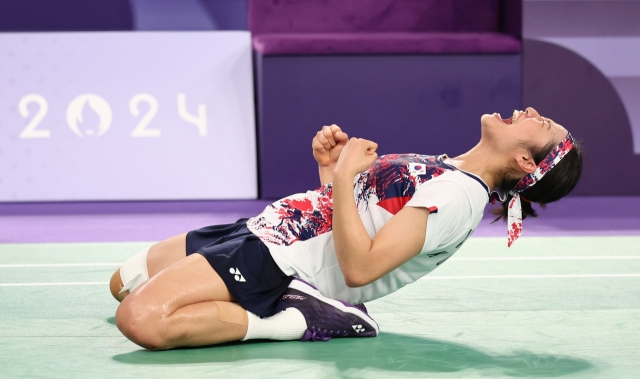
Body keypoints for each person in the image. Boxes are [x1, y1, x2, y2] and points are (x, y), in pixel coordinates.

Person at [110, 107, 582, 350]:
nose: (531, 112)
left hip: (281, 259)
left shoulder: (459, 198)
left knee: (141, 318)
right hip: (271, 229)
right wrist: (331, 170)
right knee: (124, 282)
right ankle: (295, 304)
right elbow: (351, 214)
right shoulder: (451, 170)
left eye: (541, 126)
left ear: (524, 161)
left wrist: (342, 178)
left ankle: (291, 320)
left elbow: (360, 268)